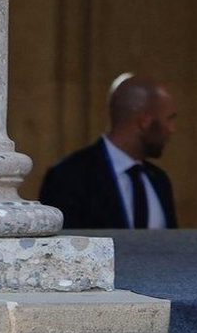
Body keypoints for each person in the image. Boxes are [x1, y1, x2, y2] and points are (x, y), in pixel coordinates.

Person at [39, 73, 180, 230]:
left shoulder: (159, 181)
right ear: (144, 121)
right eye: (170, 119)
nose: (172, 129)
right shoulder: (69, 176)